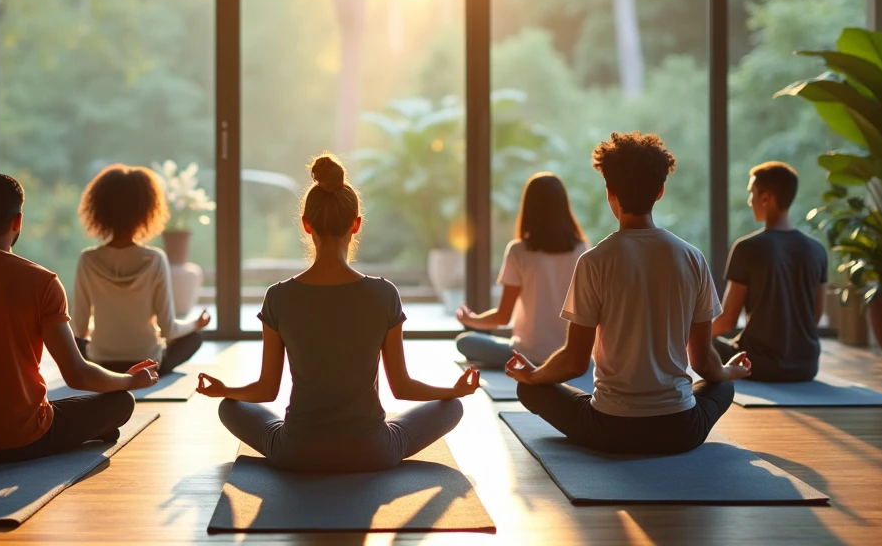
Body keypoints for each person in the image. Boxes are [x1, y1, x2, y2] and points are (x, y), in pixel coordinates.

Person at [196, 154, 480, 472]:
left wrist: (224, 390)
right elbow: (402, 387)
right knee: (452, 408)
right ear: (355, 224)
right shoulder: (384, 294)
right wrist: (454, 390)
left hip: (297, 452)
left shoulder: (278, 296)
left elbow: (266, 389)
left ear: (306, 224)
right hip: (372, 451)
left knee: (229, 408)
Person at [506, 132, 752, 456]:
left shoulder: (594, 261)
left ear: (610, 192)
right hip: (681, 429)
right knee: (722, 385)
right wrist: (731, 371)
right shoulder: (692, 257)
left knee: (530, 390)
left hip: (609, 429)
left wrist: (536, 375)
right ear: (661, 191)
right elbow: (704, 361)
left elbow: (575, 361)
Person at [0, 173, 159, 465]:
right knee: (120, 402)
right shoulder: (43, 282)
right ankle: (89, 430)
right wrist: (130, 380)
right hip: (21, 440)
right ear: (18, 221)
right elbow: (77, 375)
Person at [73, 164, 211, 375]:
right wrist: (195, 324)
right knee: (195, 338)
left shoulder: (87, 259)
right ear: (147, 211)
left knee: (74, 346)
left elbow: (79, 330)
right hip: (147, 365)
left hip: (101, 364)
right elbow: (169, 330)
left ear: (98, 209)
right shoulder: (155, 259)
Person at [456, 172, 589, 368]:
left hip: (527, 356)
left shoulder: (518, 251)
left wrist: (471, 319)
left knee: (465, 341)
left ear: (529, 208)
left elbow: (503, 316)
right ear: (563, 208)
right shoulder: (581, 249)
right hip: (568, 355)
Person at [712, 162, 828, 382]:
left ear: (766, 198)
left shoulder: (747, 247)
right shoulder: (818, 250)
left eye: (751, 193)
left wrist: (686, 339)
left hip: (756, 364)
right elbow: (815, 317)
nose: (750, 201)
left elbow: (727, 321)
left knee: (704, 344)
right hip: (806, 366)